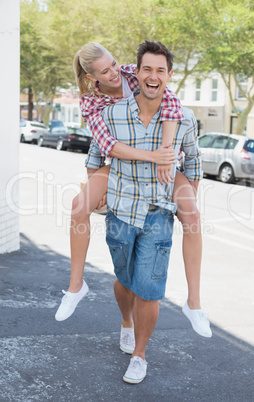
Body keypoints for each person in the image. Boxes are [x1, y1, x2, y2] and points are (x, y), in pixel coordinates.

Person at [55, 41, 211, 339]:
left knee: (192, 214)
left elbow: (172, 101)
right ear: (92, 78)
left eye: (114, 63)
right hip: (120, 164)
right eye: (105, 71)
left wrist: (167, 155)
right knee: (78, 206)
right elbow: (104, 148)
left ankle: (194, 304)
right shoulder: (93, 104)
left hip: (160, 168)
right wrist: (94, 185)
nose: (114, 72)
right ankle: (76, 286)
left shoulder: (133, 73)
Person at [88, 40, 207, 383]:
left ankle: (140, 354)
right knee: (125, 281)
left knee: (149, 289)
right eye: (147, 69)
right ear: (135, 72)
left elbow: (194, 163)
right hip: (121, 212)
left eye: (160, 70)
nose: (153, 76)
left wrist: (187, 202)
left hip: (159, 214)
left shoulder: (182, 118)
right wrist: (95, 192)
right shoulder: (111, 114)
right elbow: (95, 157)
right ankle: (126, 321)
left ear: (169, 76)